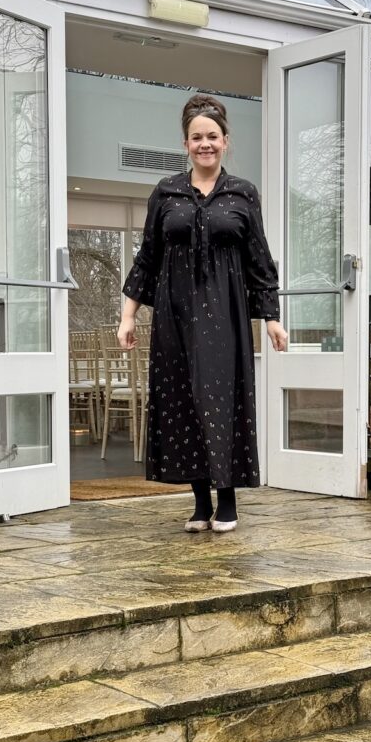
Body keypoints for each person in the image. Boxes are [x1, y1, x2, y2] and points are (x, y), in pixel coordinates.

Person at [118, 93, 288, 533]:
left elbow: (260, 260)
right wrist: (128, 316)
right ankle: (198, 501)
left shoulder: (243, 193)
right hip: (174, 315)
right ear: (186, 143)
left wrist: (271, 317)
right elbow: (147, 257)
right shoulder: (167, 191)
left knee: (220, 398)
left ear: (226, 141)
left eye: (212, 136)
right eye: (197, 137)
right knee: (181, 401)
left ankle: (226, 500)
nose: (205, 144)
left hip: (225, 315)